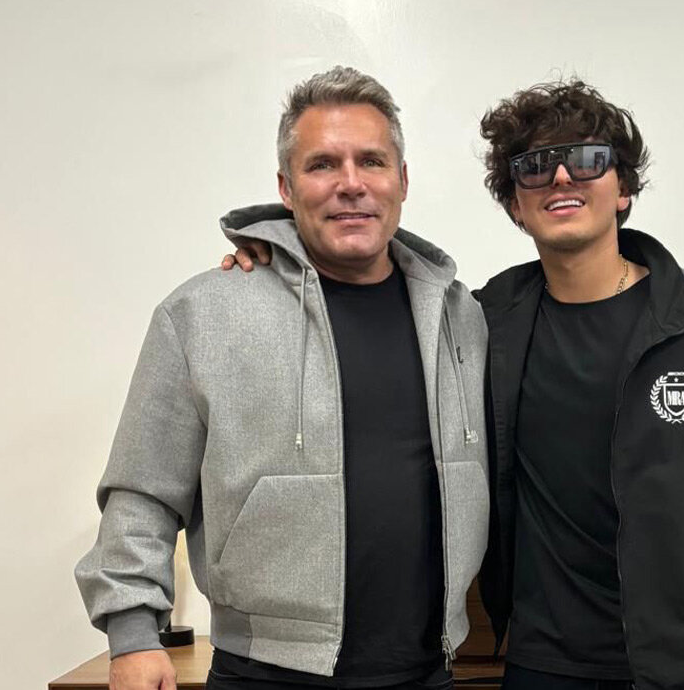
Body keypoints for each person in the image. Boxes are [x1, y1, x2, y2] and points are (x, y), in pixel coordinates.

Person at [219, 79, 684, 690]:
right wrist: (276, 251)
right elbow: (363, 262)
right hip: (539, 665)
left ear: (624, 187)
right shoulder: (480, 324)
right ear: (516, 205)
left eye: (588, 159)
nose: (562, 177)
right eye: (536, 167)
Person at [77, 66, 490, 690]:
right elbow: (143, 491)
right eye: (322, 164)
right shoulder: (203, 313)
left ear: (402, 180)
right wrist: (132, 633)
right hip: (264, 673)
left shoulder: (464, 319)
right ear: (286, 188)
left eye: (371, 161)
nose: (351, 183)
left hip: (429, 671)